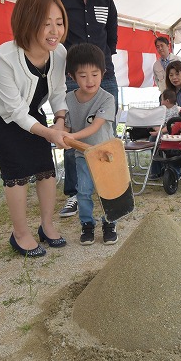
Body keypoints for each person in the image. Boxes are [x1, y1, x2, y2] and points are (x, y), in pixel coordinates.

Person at [0, 0, 70, 257]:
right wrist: (48, 133)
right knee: (15, 166)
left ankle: (47, 225)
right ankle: (20, 233)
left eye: (59, 23)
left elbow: (59, 91)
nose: (55, 31)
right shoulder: (5, 57)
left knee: (44, 164)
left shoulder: (59, 53)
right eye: (46, 23)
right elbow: (14, 111)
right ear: (28, 22)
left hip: (28, 108)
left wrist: (59, 122)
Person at [51, 0, 118, 219]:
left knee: (106, 135)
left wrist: (101, 71)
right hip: (71, 78)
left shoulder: (106, 0)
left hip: (106, 77)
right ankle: (76, 195)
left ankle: (111, 188)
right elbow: (51, 36)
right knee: (71, 137)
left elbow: (111, 41)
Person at [63, 43, 118, 245]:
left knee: (107, 191)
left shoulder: (107, 98)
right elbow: (65, 127)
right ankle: (87, 224)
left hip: (105, 154)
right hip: (82, 155)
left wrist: (71, 138)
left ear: (103, 73)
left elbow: (95, 127)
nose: (90, 80)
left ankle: (109, 222)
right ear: (72, 76)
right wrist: (58, 134)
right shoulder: (67, 99)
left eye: (95, 74)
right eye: (83, 75)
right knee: (83, 191)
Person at [147, 89, 181, 180]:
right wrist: (157, 129)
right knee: (152, 139)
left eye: (161, 100)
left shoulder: (177, 110)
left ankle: (175, 170)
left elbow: (174, 125)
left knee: (171, 146)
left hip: (173, 134)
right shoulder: (161, 110)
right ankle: (156, 170)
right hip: (162, 133)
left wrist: (160, 131)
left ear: (167, 101)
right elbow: (154, 121)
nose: (160, 102)